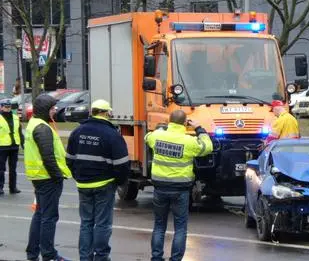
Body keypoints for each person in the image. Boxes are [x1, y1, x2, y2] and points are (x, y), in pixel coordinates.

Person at [66, 99, 130, 261]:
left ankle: (85, 257)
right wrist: (119, 181)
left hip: (83, 184)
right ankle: (101, 256)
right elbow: (122, 164)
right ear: (106, 113)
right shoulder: (112, 134)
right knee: (102, 223)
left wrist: (78, 176)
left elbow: (69, 159)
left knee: (86, 222)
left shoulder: (77, 132)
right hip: (104, 184)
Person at [145, 110, 213, 261]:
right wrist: (199, 128)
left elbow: (147, 137)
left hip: (160, 188)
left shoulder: (157, 136)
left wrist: (161, 128)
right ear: (184, 123)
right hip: (180, 190)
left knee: (159, 226)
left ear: (170, 121)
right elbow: (208, 147)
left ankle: (156, 257)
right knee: (180, 228)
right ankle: (175, 259)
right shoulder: (188, 141)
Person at [24, 94, 72, 261]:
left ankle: (32, 253)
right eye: (52, 108)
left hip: (39, 176)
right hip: (47, 178)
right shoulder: (42, 128)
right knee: (49, 218)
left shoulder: (35, 124)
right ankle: (49, 254)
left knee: (40, 214)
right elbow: (48, 156)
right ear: (45, 109)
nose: (55, 110)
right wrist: (57, 176)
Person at [0, 99, 24, 195]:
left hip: (14, 146)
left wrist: (23, 144)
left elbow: (19, 132)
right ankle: (0, 188)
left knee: (13, 169)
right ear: (1, 107)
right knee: (1, 169)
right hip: (2, 146)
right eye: (6, 107)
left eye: (9, 107)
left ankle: (13, 187)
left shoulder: (15, 117)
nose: (8, 109)